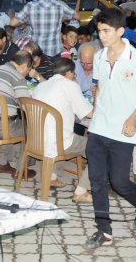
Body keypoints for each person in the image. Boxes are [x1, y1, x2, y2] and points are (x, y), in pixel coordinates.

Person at [84, 8, 136, 250]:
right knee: (96, 181)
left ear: (120, 31)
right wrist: (95, 115)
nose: (101, 35)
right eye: (99, 30)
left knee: (120, 182)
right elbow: (100, 88)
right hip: (100, 126)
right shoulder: (99, 56)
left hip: (124, 129)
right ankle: (104, 230)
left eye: (106, 31)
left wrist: (134, 119)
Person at [32, 58, 94, 203]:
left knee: (60, 132)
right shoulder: (69, 85)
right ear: (68, 73)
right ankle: (81, 191)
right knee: (99, 147)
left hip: (37, 141)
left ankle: (52, 177)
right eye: (74, 74)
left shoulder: (41, 86)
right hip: (58, 143)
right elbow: (88, 113)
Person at [0, 51, 35, 176]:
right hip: (0, 128)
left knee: (10, 119)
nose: (27, 74)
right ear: (25, 66)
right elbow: (25, 105)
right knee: (31, 129)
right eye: (29, 70)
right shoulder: (18, 77)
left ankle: (2, 163)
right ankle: (21, 170)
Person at [10, 0, 79, 56]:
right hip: (55, 52)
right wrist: (61, 19)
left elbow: (12, 23)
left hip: (37, 53)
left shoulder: (31, 6)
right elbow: (77, 16)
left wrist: (29, 22)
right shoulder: (60, 5)